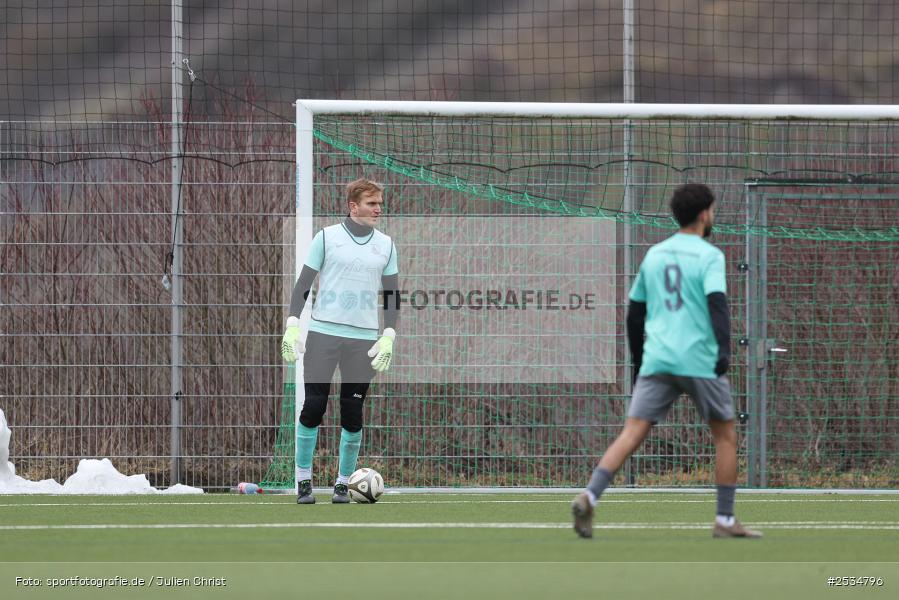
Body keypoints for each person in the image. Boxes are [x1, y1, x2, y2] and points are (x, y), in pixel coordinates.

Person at [572, 183, 761, 539]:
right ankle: (724, 521)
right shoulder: (709, 256)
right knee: (725, 436)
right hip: (699, 359)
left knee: (631, 433)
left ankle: (590, 495)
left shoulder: (655, 254)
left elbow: (634, 313)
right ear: (705, 213)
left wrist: (639, 361)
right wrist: (723, 352)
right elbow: (717, 306)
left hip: (658, 359)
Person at [280, 178, 399, 504]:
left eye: (379, 203)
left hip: (363, 342)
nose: (378, 208)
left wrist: (388, 334)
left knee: (352, 412)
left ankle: (343, 484)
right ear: (353, 206)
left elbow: (391, 294)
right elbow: (303, 283)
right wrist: (292, 325)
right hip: (323, 336)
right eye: (371, 203)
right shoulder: (326, 238)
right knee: (314, 407)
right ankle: (303, 480)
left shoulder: (386, 245)